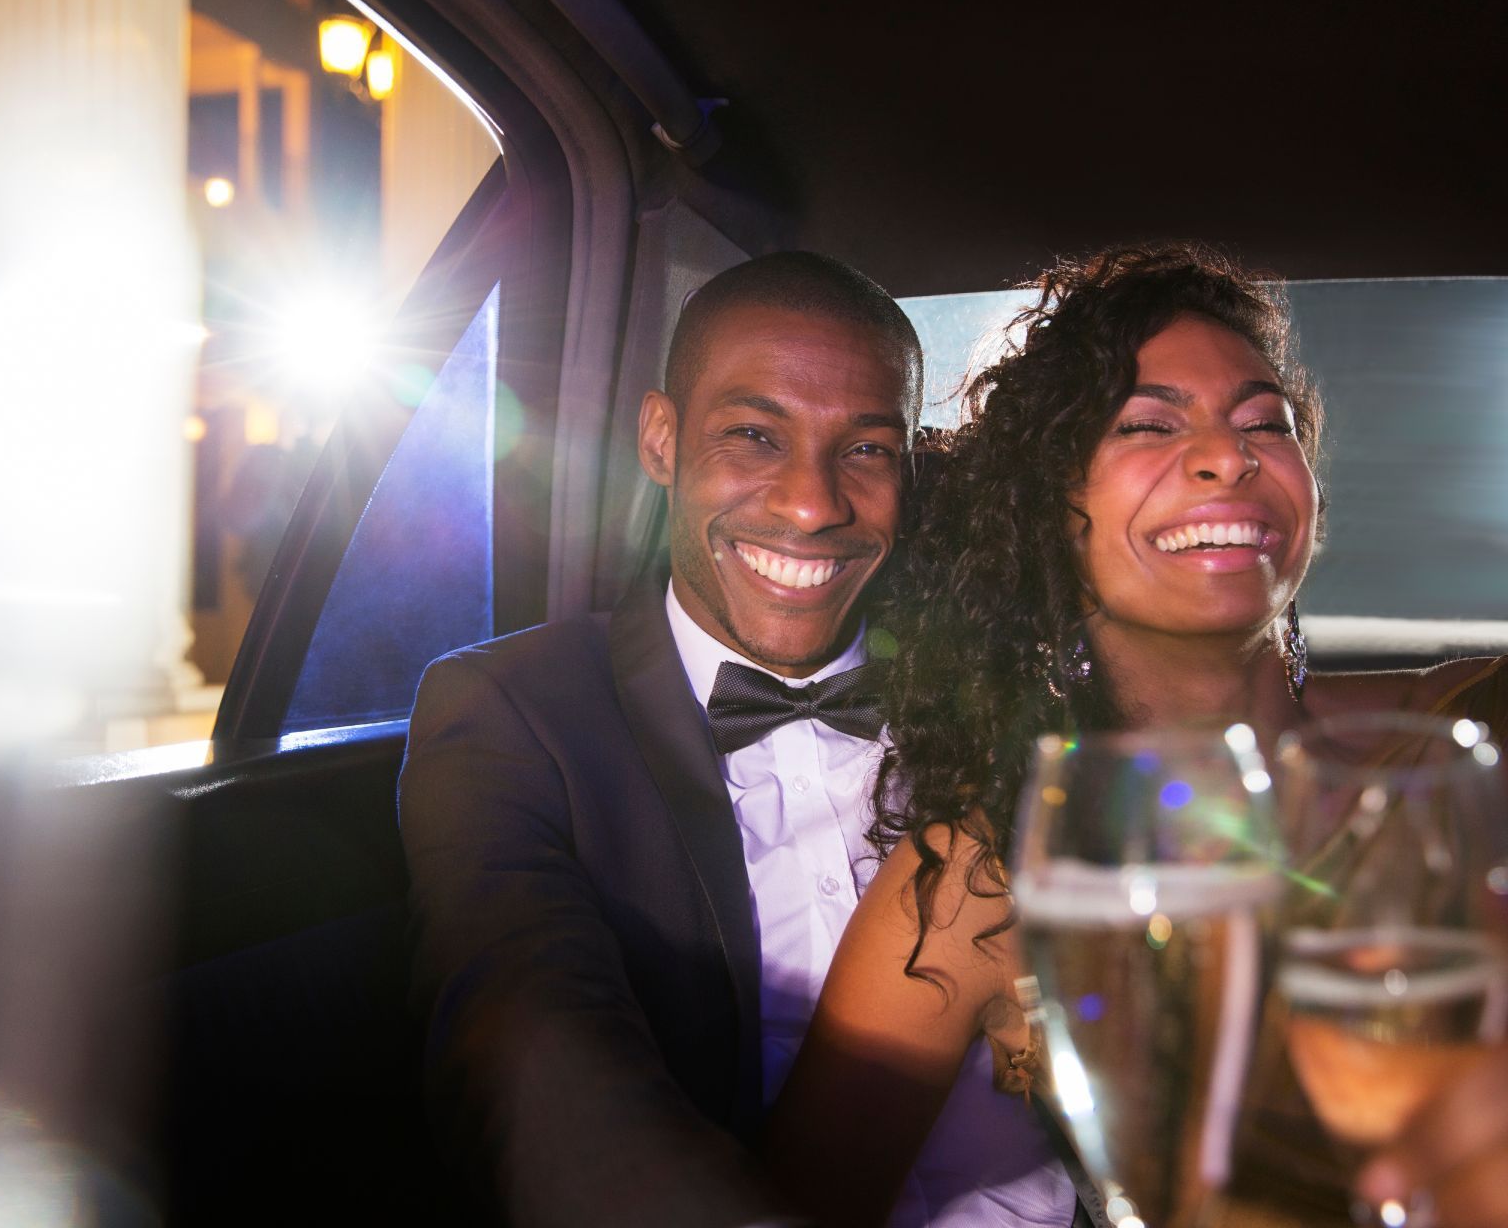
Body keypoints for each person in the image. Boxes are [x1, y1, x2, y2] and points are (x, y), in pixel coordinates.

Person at [762, 243, 1508, 1228]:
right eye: (1147, 422)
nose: (1232, 454)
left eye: (1266, 421)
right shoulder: (980, 871)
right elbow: (784, 1202)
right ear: (1051, 509)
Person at [404, 250, 1055, 1226]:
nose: (811, 503)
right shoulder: (511, 709)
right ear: (661, 440)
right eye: (755, 435)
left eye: (867, 449)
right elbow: (529, 1035)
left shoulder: (993, 690)